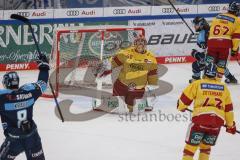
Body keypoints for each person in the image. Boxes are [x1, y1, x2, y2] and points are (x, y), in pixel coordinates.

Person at [177, 63, 237, 160]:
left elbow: (184, 100)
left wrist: (181, 107)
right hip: (216, 123)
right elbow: (228, 109)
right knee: (205, 148)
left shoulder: (197, 84)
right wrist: (231, 125)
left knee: (190, 149)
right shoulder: (223, 88)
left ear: (204, 73)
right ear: (215, 74)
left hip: (200, 121)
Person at [0, 54, 49, 160]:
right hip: (32, 137)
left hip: (14, 141)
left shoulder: (2, 97)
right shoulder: (29, 91)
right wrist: (44, 67)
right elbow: (43, 83)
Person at [111, 35, 158, 113]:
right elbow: (113, 63)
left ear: (145, 44)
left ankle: (141, 103)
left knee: (134, 110)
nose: (140, 45)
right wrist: (104, 66)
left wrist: (152, 88)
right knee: (120, 109)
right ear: (134, 44)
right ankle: (117, 104)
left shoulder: (151, 58)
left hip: (138, 88)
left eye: (142, 42)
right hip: (122, 85)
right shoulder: (126, 53)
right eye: (138, 42)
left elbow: (152, 74)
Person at [190, 16, 238, 84]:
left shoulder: (204, 33)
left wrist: (198, 53)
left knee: (196, 64)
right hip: (217, 52)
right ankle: (231, 78)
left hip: (211, 54)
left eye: (196, 25)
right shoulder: (208, 30)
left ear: (201, 24)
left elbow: (205, 47)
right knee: (219, 65)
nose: (194, 26)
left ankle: (196, 79)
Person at [207, 1, 240, 81]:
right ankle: (217, 82)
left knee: (209, 63)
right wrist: (234, 50)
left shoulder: (218, 16)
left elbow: (210, 30)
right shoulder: (237, 20)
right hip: (225, 45)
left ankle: (206, 81)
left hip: (212, 43)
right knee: (221, 65)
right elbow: (236, 38)